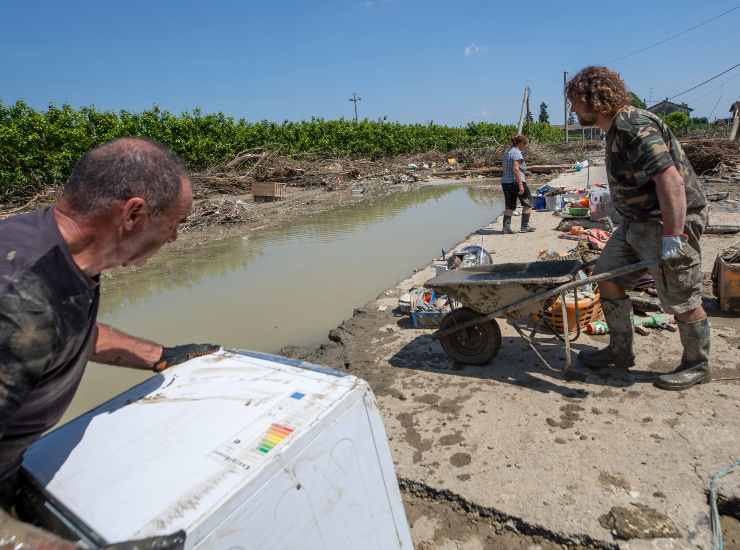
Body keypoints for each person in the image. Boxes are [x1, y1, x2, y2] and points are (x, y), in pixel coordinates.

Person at [0, 138, 220, 548]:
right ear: (134, 213)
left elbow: (58, 331)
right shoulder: (15, 298)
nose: (173, 238)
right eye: (176, 222)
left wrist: (158, 356)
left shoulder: (45, 246)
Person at [566, 66, 710, 391]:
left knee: (682, 295)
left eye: (575, 101)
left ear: (594, 98)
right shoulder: (616, 129)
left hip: (666, 221)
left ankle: (698, 364)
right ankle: (620, 350)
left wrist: (674, 235)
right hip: (636, 223)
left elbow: (669, 179)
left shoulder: (633, 124)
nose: (573, 109)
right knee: (607, 277)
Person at [500, 134, 536, 233]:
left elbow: (504, 168)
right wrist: (520, 185)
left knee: (509, 206)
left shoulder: (507, 153)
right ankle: (525, 227)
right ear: (520, 143)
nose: (525, 146)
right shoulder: (517, 153)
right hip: (516, 182)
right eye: (524, 144)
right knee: (528, 203)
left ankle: (506, 228)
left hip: (506, 182)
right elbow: (516, 169)